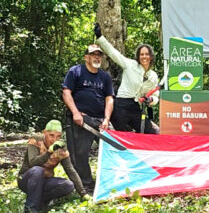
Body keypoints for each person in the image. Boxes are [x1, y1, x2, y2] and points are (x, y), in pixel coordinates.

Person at [62, 44, 114, 192]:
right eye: (93, 54)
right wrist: (76, 113)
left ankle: (110, 181)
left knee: (114, 146)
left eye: (99, 54)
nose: (97, 57)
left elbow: (109, 98)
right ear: (86, 57)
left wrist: (106, 119)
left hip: (100, 120)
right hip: (82, 119)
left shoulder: (105, 76)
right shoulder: (75, 71)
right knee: (80, 152)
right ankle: (86, 185)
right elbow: (66, 93)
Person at [94, 23, 159, 134]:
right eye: (141, 54)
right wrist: (100, 37)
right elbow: (113, 53)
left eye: (147, 54)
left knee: (149, 132)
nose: (144, 57)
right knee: (122, 134)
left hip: (136, 107)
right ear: (138, 56)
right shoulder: (130, 65)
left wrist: (151, 100)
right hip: (121, 104)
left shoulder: (153, 76)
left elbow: (155, 95)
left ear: (151, 56)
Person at [18, 120, 90, 212]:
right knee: (38, 170)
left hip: (45, 180)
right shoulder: (36, 139)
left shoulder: (61, 147)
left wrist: (83, 193)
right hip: (27, 179)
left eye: (58, 136)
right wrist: (49, 152)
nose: (54, 140)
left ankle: (41, 200)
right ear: (44, 133)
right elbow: (33, 163)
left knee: (68, 185)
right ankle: (30, 208)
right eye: (51, 135)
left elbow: (70, 170)